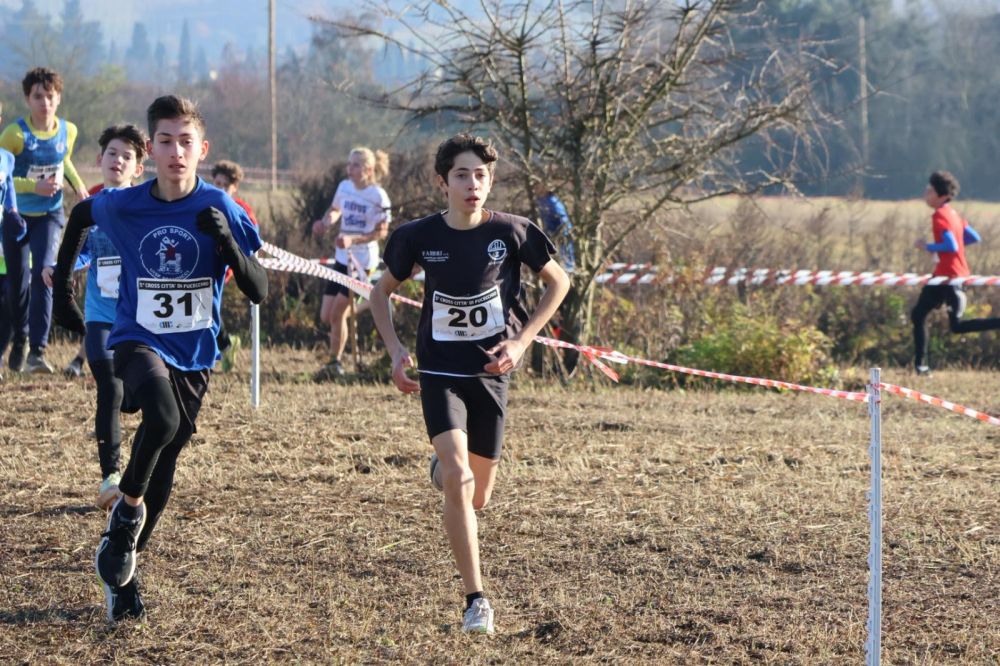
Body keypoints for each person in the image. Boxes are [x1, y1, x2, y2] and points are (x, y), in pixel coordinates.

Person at [52, 95, 267, 623]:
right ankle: (126, 515)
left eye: (185, 142)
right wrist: (60, 293)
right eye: (166, 141)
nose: (176, 152)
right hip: (136, 338)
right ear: (152, 148)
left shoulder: (220, 206)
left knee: (166, 457)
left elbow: (259, 289)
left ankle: (122, 569)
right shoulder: (125, 203)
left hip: (194, 353)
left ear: (202, 149)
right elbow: (80, 214)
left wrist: (228, 244)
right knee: (163, 420)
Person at [369, 133, 570, 634]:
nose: (472, 184)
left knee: (477, 497)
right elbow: (379, 294)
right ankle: (476, 601)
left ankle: (443, 470)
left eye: (480, 175)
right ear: (443, 182)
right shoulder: (418, 236)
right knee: (460, 481)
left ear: (490, 181)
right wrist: (396, 352)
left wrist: (521, 341)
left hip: (491, 374)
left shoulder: (513, 231)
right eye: (461, 175)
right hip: (440, 373)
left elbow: (559, 282)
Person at [43, 124, 147, 509]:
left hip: (139, 318)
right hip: (100, 315)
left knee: (133, 399)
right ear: (100, 159)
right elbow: (82, 252)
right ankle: (111, 478)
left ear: (138, 168)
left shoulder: (146, 207)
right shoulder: (90, 208)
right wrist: (60, 268)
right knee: (110, 388)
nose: (118, 161)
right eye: (112, 154)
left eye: (126, 156)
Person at [0, 67, 88, 374]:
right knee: (18, 281)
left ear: (59, 98)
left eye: (50, 96)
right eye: (38, 96)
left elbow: (64, 160)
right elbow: (3, 176)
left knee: (45, 274)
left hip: (50, 214)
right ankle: (20, 337)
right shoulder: (14, 135)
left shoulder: (68, 130)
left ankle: (37, 351)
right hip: (17, 216)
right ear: (28, 99)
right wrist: (33, 186)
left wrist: (78, 186)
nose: (45, 103)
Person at [911, 170, 1000, 375]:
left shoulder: (940, 216)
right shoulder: (953, 214)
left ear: (942, 196)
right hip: (942, 275)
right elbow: (974, 237)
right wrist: (952, 247)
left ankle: (921, 366)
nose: (926, 193)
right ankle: (921, 366)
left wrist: (927, 247)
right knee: (918, 314)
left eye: (930, 191)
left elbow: (950, 245)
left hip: (951, 277)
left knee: (957, 326)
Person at [312, 147, 391, 377]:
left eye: (355, 165)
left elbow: (382, 232)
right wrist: (325, 223)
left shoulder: (378, 196)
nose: (350, 169)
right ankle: (371, 301)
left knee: (337, 314)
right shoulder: (344, 187)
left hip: (362, 262)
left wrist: (353, 239)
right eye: (349, 164)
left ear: (368, 170)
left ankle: (334, 363)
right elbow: (335, 209)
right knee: (326, 315)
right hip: (341, 258)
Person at [211, 159, 259, 371]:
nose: (221, 189)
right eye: (217, 183)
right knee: (206, 306)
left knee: (208, 306)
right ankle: (225, 344)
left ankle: (222, 346)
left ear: (234, 187)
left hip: (230, 266)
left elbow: (252, 238)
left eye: (226, 185)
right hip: (207, 262)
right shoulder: (206, 201)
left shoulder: (241, 209)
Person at [0, 100, 21, 382]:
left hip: (3, 245)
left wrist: (14, 212)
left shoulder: (6, 157)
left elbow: (10, 189)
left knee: (8, 303)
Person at [533, 178, 576, 272]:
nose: (535, 190)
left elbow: (561, 219)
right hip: (550, 233)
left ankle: (569, 270)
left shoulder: (552, 202)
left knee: (565, 255)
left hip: (560, 233)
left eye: (537, 187)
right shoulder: (541, 201)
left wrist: (556, 233)